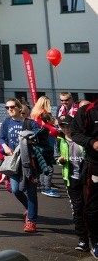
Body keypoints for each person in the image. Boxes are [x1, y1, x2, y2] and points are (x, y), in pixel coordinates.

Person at [0, 97, 41, 233]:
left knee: (32, 192)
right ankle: (28, 208)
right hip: (14, 162)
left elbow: (40, 139)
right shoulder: (6, 122)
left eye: (12, 107)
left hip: (30, 162)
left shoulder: (31, 124)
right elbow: (0, 137)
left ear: (19, 108)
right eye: (7, 108)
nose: (9, 110)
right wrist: (4, 147)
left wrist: (30, 141)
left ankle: (31, 221)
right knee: (16, 190)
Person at [70, 98, 98, 257]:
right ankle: (94, 241)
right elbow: (75, 133)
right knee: (92, 207)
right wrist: (92, 142)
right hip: (94, 165)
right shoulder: (87, 111)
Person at [56, 115, 88, 252]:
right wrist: (60, 161)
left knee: (90, 209)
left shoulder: (81, 138)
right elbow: (56, 157)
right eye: (63, 126)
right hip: (70, 179)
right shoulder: (59, 140)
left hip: (86, 178)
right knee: (77, 209)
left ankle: (94, 238)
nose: (66, 129)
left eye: (68, 125)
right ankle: (83, 240)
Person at [30, 95, 61, 197]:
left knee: (42, 164)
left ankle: (45, 185)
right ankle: (46, 187)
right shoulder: (43, 114)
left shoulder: (34, 113)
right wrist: (55, 130)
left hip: (37, 141)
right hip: (46, 140)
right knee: (48, 166)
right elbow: (46, 127)